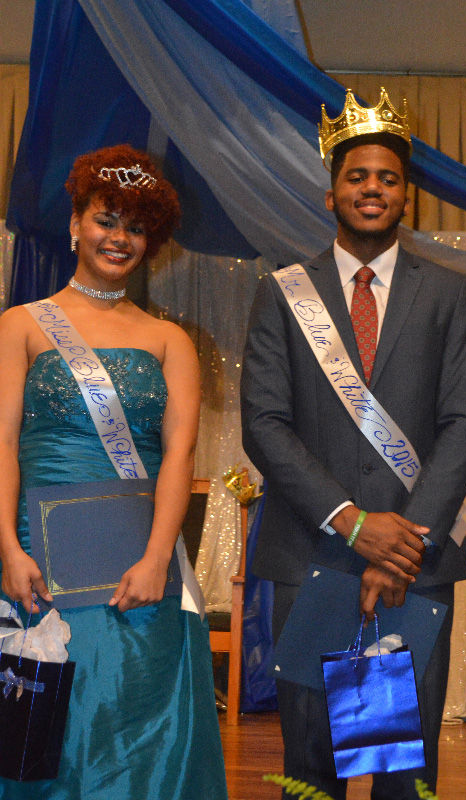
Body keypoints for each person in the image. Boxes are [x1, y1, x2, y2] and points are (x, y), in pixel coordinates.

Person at [241, 88, 466, 800]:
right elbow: (263, 422)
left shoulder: (447, 294)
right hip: (312, 556)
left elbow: (463, 425)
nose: (371, 188)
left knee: (397, 772)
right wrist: (352, 525)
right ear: (330, 194)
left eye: (386, 177)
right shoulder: (284, 293)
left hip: (415, 562)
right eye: (356, 176)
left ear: (405, 195)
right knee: (311, 766)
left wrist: (402, 542)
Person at [0, 144, 228, 799]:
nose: (118, 237)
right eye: (106, 219)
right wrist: (8, 549)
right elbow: (3, 443)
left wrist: (160, 557)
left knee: (136, 725)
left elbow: (179, 457)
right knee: (46, 730)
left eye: (134, 226)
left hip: (141, 565)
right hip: (37, 561)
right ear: (75, 223)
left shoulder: (170, 342)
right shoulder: (21, 326)